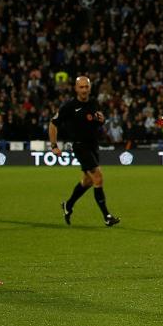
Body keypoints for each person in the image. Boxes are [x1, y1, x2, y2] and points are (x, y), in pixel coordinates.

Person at [49, 76, 120, 227]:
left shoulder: (93, 103)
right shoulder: (69, 106)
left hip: (93, 145)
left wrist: (101, 120)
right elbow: (53, 124)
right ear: (75, 88)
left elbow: (95, 121)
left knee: (87, 181)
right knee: (98, 177)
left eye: (86, 87)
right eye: (81, 87)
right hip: (80, 146)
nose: (84, 90)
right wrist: (54, 146)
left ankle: (68, 205)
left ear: (90, 88)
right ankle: (107, 216)